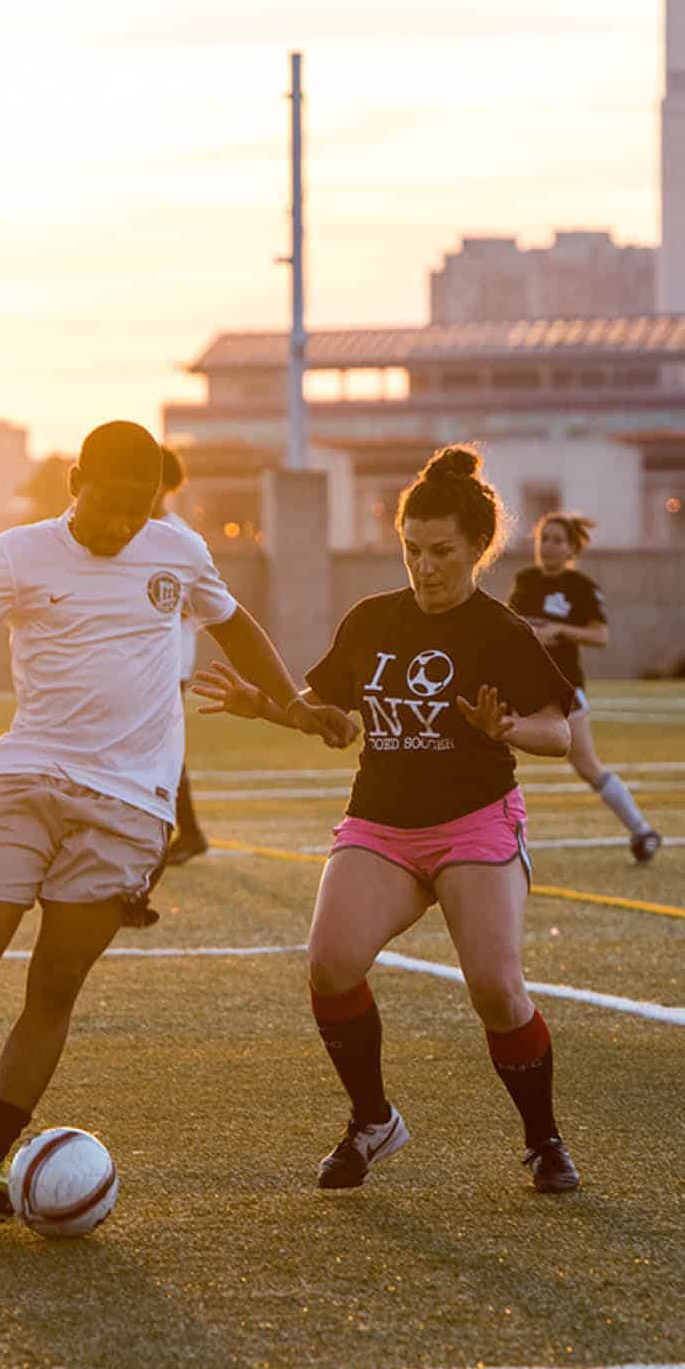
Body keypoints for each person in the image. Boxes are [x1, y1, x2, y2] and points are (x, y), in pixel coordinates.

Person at [0, 420, 355, 1226]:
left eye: (140, 511)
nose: (125, 526)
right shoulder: (19, 553)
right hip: (23, 777)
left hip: (131, 804)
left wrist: (298, 704)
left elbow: (232, 623)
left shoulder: (178, 549)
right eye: (111, 506)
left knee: (53, 985)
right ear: (74, 483)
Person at [193, 444, 582, 1195]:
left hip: (474, 823)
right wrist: (269, 706)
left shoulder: (500, 631)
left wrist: (505, 731)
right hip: (382, 825)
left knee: (496, 991)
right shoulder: (372, 619)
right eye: (411, 550)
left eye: (442, 552)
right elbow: (332, 722)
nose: (426, 566)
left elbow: (558, 732)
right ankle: (373, 1121)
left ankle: (544, 1139)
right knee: (329, 965)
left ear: (478, 549)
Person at [508, 514, 662, 864]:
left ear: (571, 548)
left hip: (563, 688)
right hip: (520, 686)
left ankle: (642, 830)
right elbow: (509, 622)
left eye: (557, 540)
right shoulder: (525, 579)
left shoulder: (580, 587)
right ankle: (489, 838)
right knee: (493, 752)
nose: (548, 546)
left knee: (586, 764)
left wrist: (559, 631)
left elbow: (600, 635)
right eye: (543, 538)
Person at [153, 445, 207, 865]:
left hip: (170, 663)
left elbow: (206, 607)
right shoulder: (133, 533)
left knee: (159, 745)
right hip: (144, 664)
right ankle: (186, 832)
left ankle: (181, 832)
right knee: (158, 745)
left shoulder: (179, 538)